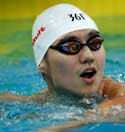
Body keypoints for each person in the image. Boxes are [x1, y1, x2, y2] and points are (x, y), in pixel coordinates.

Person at [0, 3, 125, 131]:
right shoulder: (32, 104)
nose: (88, 56)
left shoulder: (115, 91)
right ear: (42, 63)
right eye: (71, 47)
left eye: (95, 42)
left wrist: (68, 125)